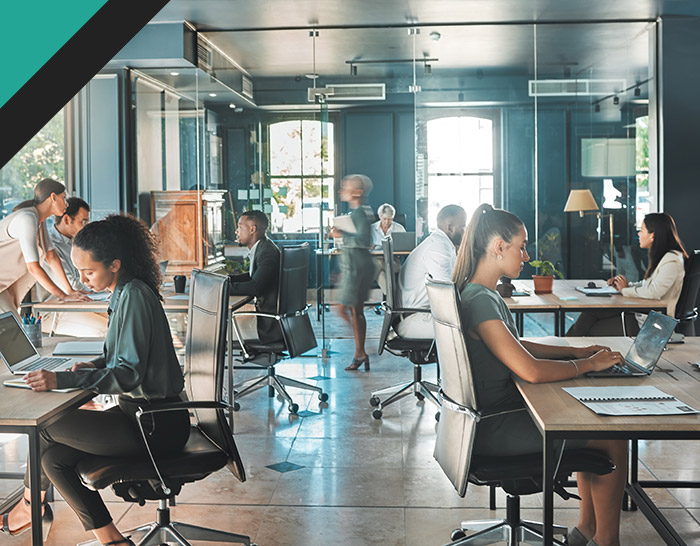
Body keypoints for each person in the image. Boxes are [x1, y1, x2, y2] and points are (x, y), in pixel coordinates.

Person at [0, 214, 190, 546]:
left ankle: (28, 507)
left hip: (155, 425)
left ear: (115, 264)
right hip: (144, 417)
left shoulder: (133, 296)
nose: (83, 279)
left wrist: (61, 380)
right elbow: (125, 356)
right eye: (79, 271)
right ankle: (112, 540)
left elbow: (129, 373)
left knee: (42, 428)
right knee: (52, 459)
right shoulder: (125, 292)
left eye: (89, 272)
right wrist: (95, 363)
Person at [452, 203, 628, 546]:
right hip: (493, 427)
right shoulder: (481, 300)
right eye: (521, 246)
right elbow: (529, 370)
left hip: (481, 421)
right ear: (498, 247)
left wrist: (576, 352)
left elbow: (515, 345)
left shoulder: (478, 293)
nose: (527, 255)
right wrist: (587, 366)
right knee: (611, 434)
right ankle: (606, 539)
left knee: (588, 421)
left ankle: (586, 531)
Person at [568, 212, 687, 337]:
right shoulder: (665, 257)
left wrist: (625, 290)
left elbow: (654, 292)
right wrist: (622, 285)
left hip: (652, 324)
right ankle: (564, 348)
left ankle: (564, 349)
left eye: (642, 230)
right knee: (591, 313)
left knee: (588, 329)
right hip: (641, 315)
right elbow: (647, 284)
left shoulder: (671, 261)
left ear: (653, 235)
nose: (638, 234)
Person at [0, 178, 89, 316]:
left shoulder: (39, 221)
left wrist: (69, 291)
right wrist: (63, 296)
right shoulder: (27, 219)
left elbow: (51, 256)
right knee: (13, 329)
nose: (66, 204)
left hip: (3, 286)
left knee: (13, 328)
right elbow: (33, 267)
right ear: (53, 197)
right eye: (64, 198)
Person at [38, 196, 109, 337]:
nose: (86, 227)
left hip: (81, 303)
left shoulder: (75, 243)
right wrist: (103, 287)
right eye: (83, 222)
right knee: (106, 331)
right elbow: (73, 286)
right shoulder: (51, 247)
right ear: (66, 220)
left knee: (122, 321)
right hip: (57, 311)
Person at [395, 204, 467, 339]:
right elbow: (449, 293)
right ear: (450, 228)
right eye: (463, 227)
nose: (466, 231)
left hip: (422, 313)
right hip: (413, 319)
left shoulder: (443, 244)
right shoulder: (438, 247)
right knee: (475, 327)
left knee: (478, 322)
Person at [330, 174, 375, 371]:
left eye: (345, 187)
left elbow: (364, 241)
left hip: (358, 268)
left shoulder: (360, 213)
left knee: (341, 308)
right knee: (355, 311)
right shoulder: (357, 212)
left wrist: (341, 234)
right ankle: (360, 352)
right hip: (354, 267)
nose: (342, 190)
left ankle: (363, 350)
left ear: (357, 192)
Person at [228, 210, 282, 343]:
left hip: (266, 326)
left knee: (217, 327)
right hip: (268, 321)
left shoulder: (267, 253)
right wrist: (227, 280)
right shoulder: (264, 247)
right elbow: (254, 276)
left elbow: (255, 287)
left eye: (240, 227)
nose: (236, 231)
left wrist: (221, 288)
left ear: (252, 229)